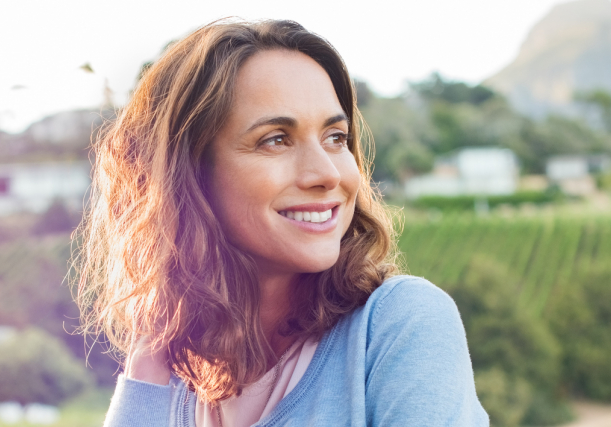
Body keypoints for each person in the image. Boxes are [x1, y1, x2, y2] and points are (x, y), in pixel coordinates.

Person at [73, 19, 488, 427]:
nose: (327, 173)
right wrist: (147, 368)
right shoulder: (169, 379)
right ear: (187, 175)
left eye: (336, 138)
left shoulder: (400, 325)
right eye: (276, 139)